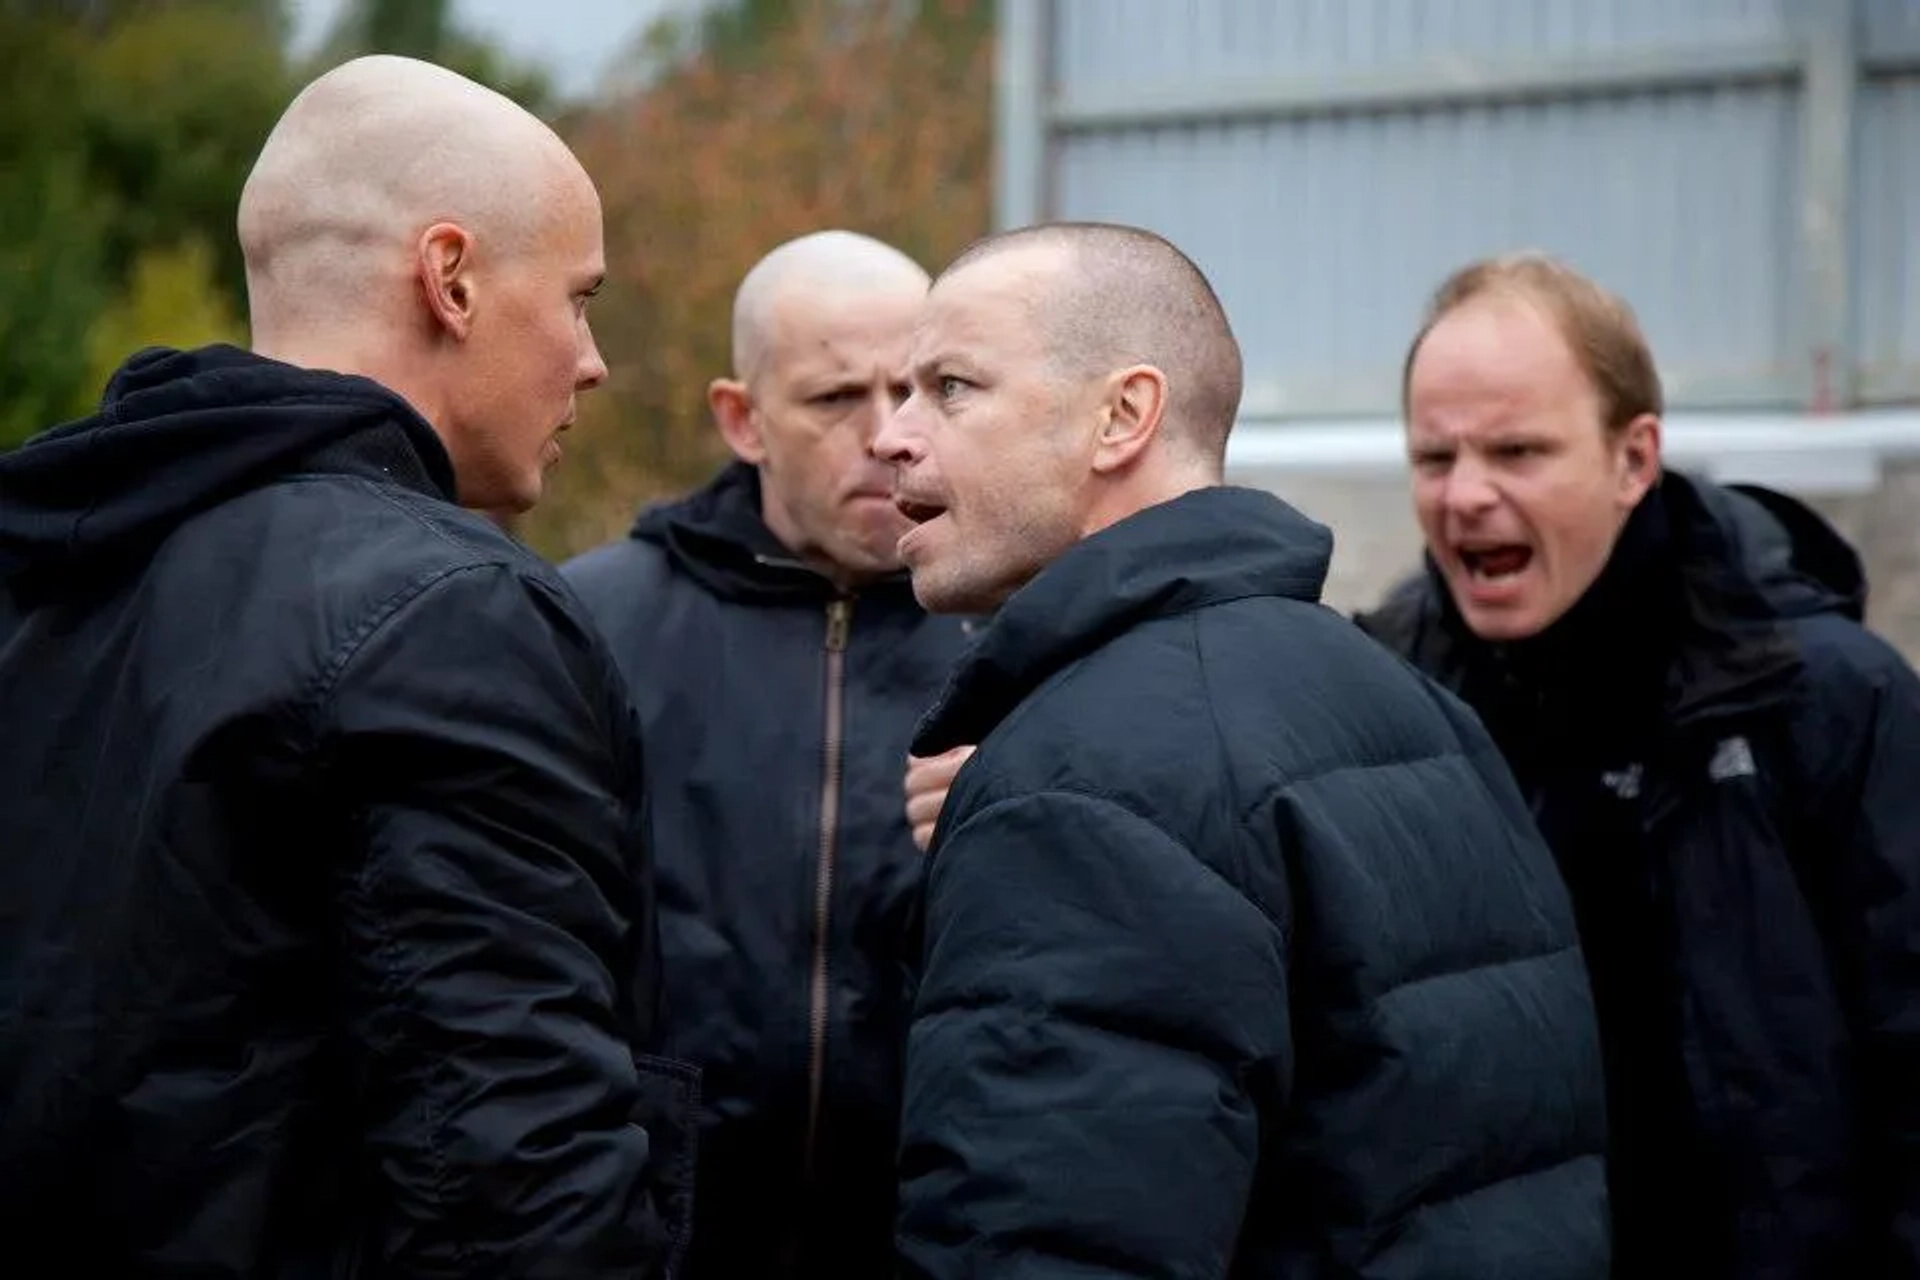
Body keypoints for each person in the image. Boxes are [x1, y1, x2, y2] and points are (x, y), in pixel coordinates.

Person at [0, 55, 694, 1277]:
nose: (592, 360)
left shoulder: (49, 563)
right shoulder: (451, 614)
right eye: (579, 298)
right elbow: (514, 1180)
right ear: (451, 277)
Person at [870, 220, 1609, 1278]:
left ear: (1123, 414)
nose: (893, 435)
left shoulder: (1084, 781)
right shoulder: (1413, 706)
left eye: (949, 388)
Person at [1356, 252, 1920, 1279]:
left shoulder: (1832, 701)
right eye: (1435, 458)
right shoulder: (1381, 710)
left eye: (1518, 450)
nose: (1467, 495)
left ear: (1634, 456)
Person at [562, 229, 974, 1278]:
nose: (889, 434)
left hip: (934, 1231)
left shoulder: (1020, 632)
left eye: (922, 388)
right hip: (660, 1235)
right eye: (837, 399)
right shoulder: (587, 625)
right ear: (741, 419)